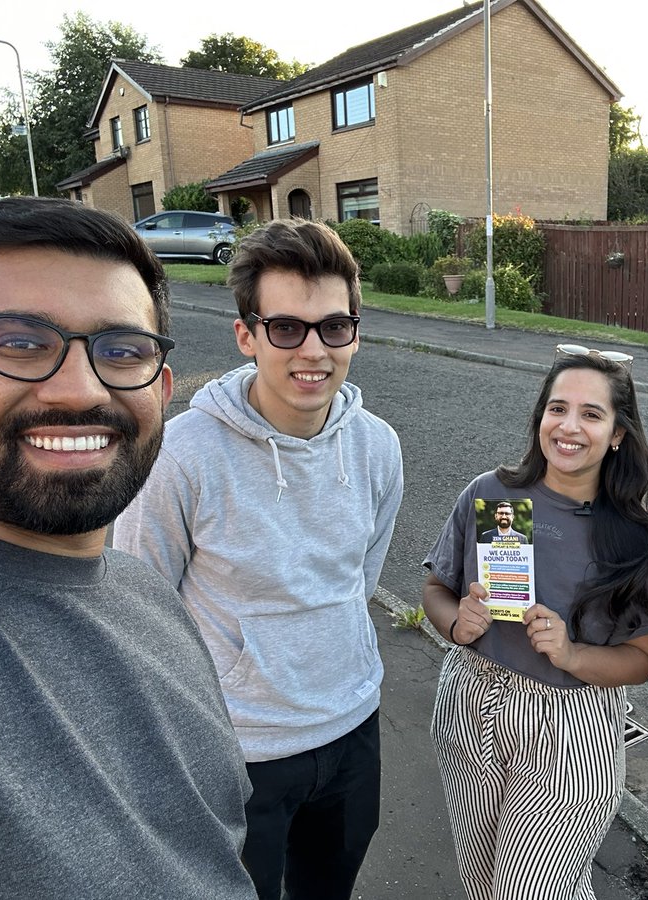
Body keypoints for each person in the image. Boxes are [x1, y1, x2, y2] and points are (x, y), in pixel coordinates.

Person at [0, 197, 256, 898]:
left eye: (122, 350)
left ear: (161, 390)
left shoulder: (150, 596)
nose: (80, 389)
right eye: (21, 343)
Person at [114, 219, 403, 900]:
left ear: (355, 334)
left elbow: (360, 577)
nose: (314, 350)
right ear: (246, 335)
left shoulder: (378, 446)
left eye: (334, 327)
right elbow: (139, 609)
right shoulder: (182, 455)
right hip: (237, 751)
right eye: (287, 328)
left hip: (352, 729)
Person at [422, 346, 648, 900]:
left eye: (591, 414)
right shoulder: (490, 493)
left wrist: (572, 654)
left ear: (617, 433)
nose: (569, 427)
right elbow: (435, 590)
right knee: (483, 882)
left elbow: (641, 661)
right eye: (557, 408)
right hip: (470, 700)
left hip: (569, 725)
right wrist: (457, 624)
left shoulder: (641, 542)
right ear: (540, 415)